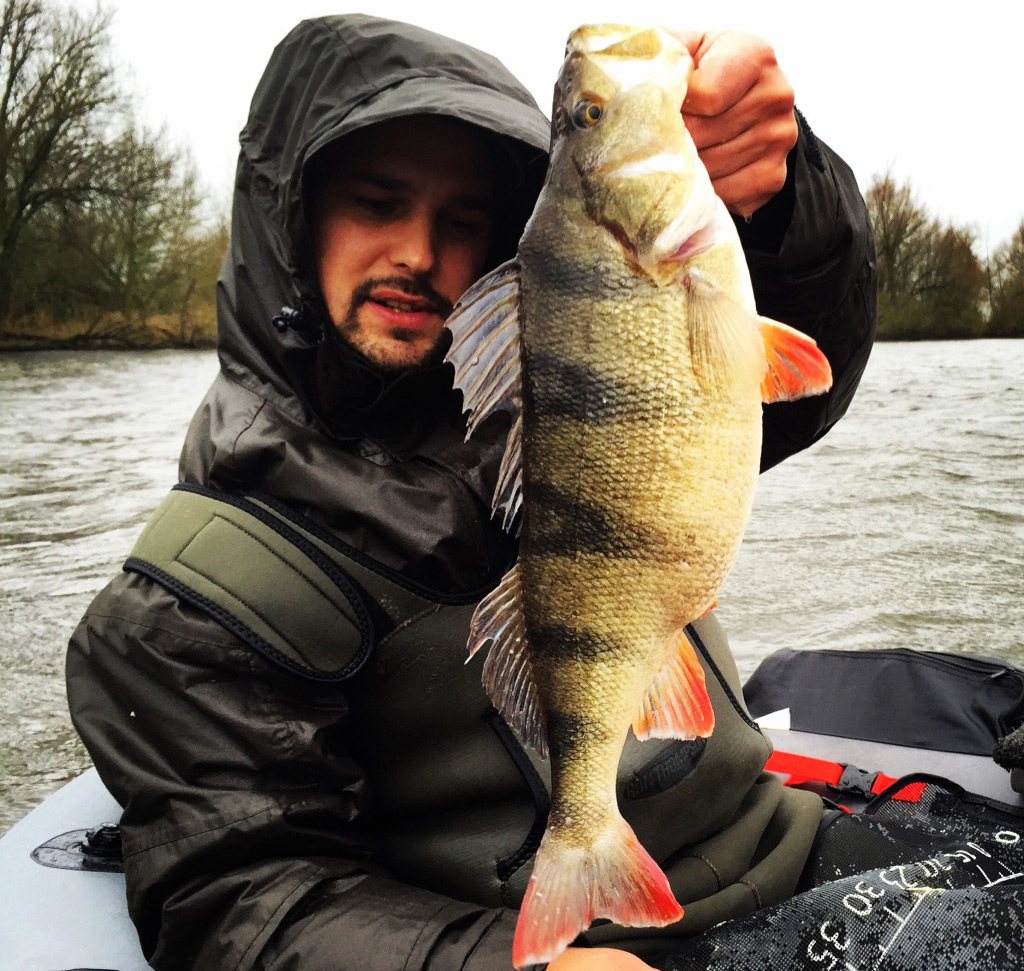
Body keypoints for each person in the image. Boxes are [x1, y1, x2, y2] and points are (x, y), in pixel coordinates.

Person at [66, 15, 876, 971]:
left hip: (793, 844)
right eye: (377, 202)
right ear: (293, 216)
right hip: (563, 945)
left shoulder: (533, 397)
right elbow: (246, 899)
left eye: (461, 223)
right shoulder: (187, 598)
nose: (418, 251)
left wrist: (780, 199)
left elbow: (782, 380)